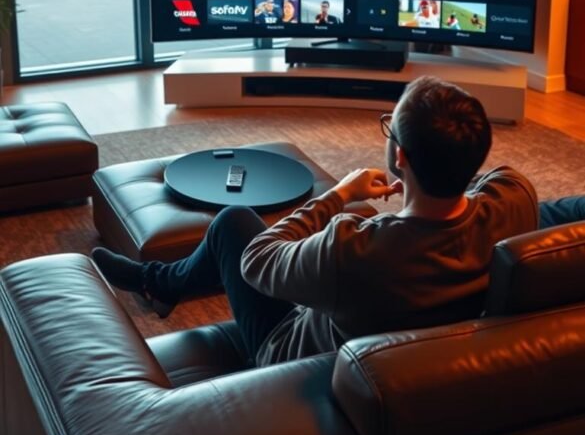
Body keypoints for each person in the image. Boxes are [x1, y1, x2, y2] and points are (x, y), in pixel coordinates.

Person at [92, 75, 585, 368]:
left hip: (290, 354)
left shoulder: (356, 249)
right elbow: (475, 181)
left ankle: (158, 282)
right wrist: (430, 179)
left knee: (233, 224)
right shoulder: (513, 200)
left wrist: (338, 195)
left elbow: (258, 261)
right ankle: (163, 284)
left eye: (391, 129)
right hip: (391, 314)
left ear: (400, 157)